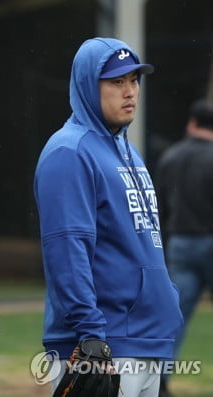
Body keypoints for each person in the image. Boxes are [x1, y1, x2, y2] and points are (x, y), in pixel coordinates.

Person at [33, 37, 183, 397]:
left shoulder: (128, 151)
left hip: (145, 341)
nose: (129, 91)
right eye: (116, 82)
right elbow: (68, 250)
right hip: (102, 346)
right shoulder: (69, 151)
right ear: (88, 84)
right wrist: (91, 336)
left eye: (133, 80)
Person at [154, 98, 213, 397]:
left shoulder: (170, 157)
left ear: (192, 123)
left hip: (179, 244)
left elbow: (159, 208)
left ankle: (160, 379)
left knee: (174, 316)